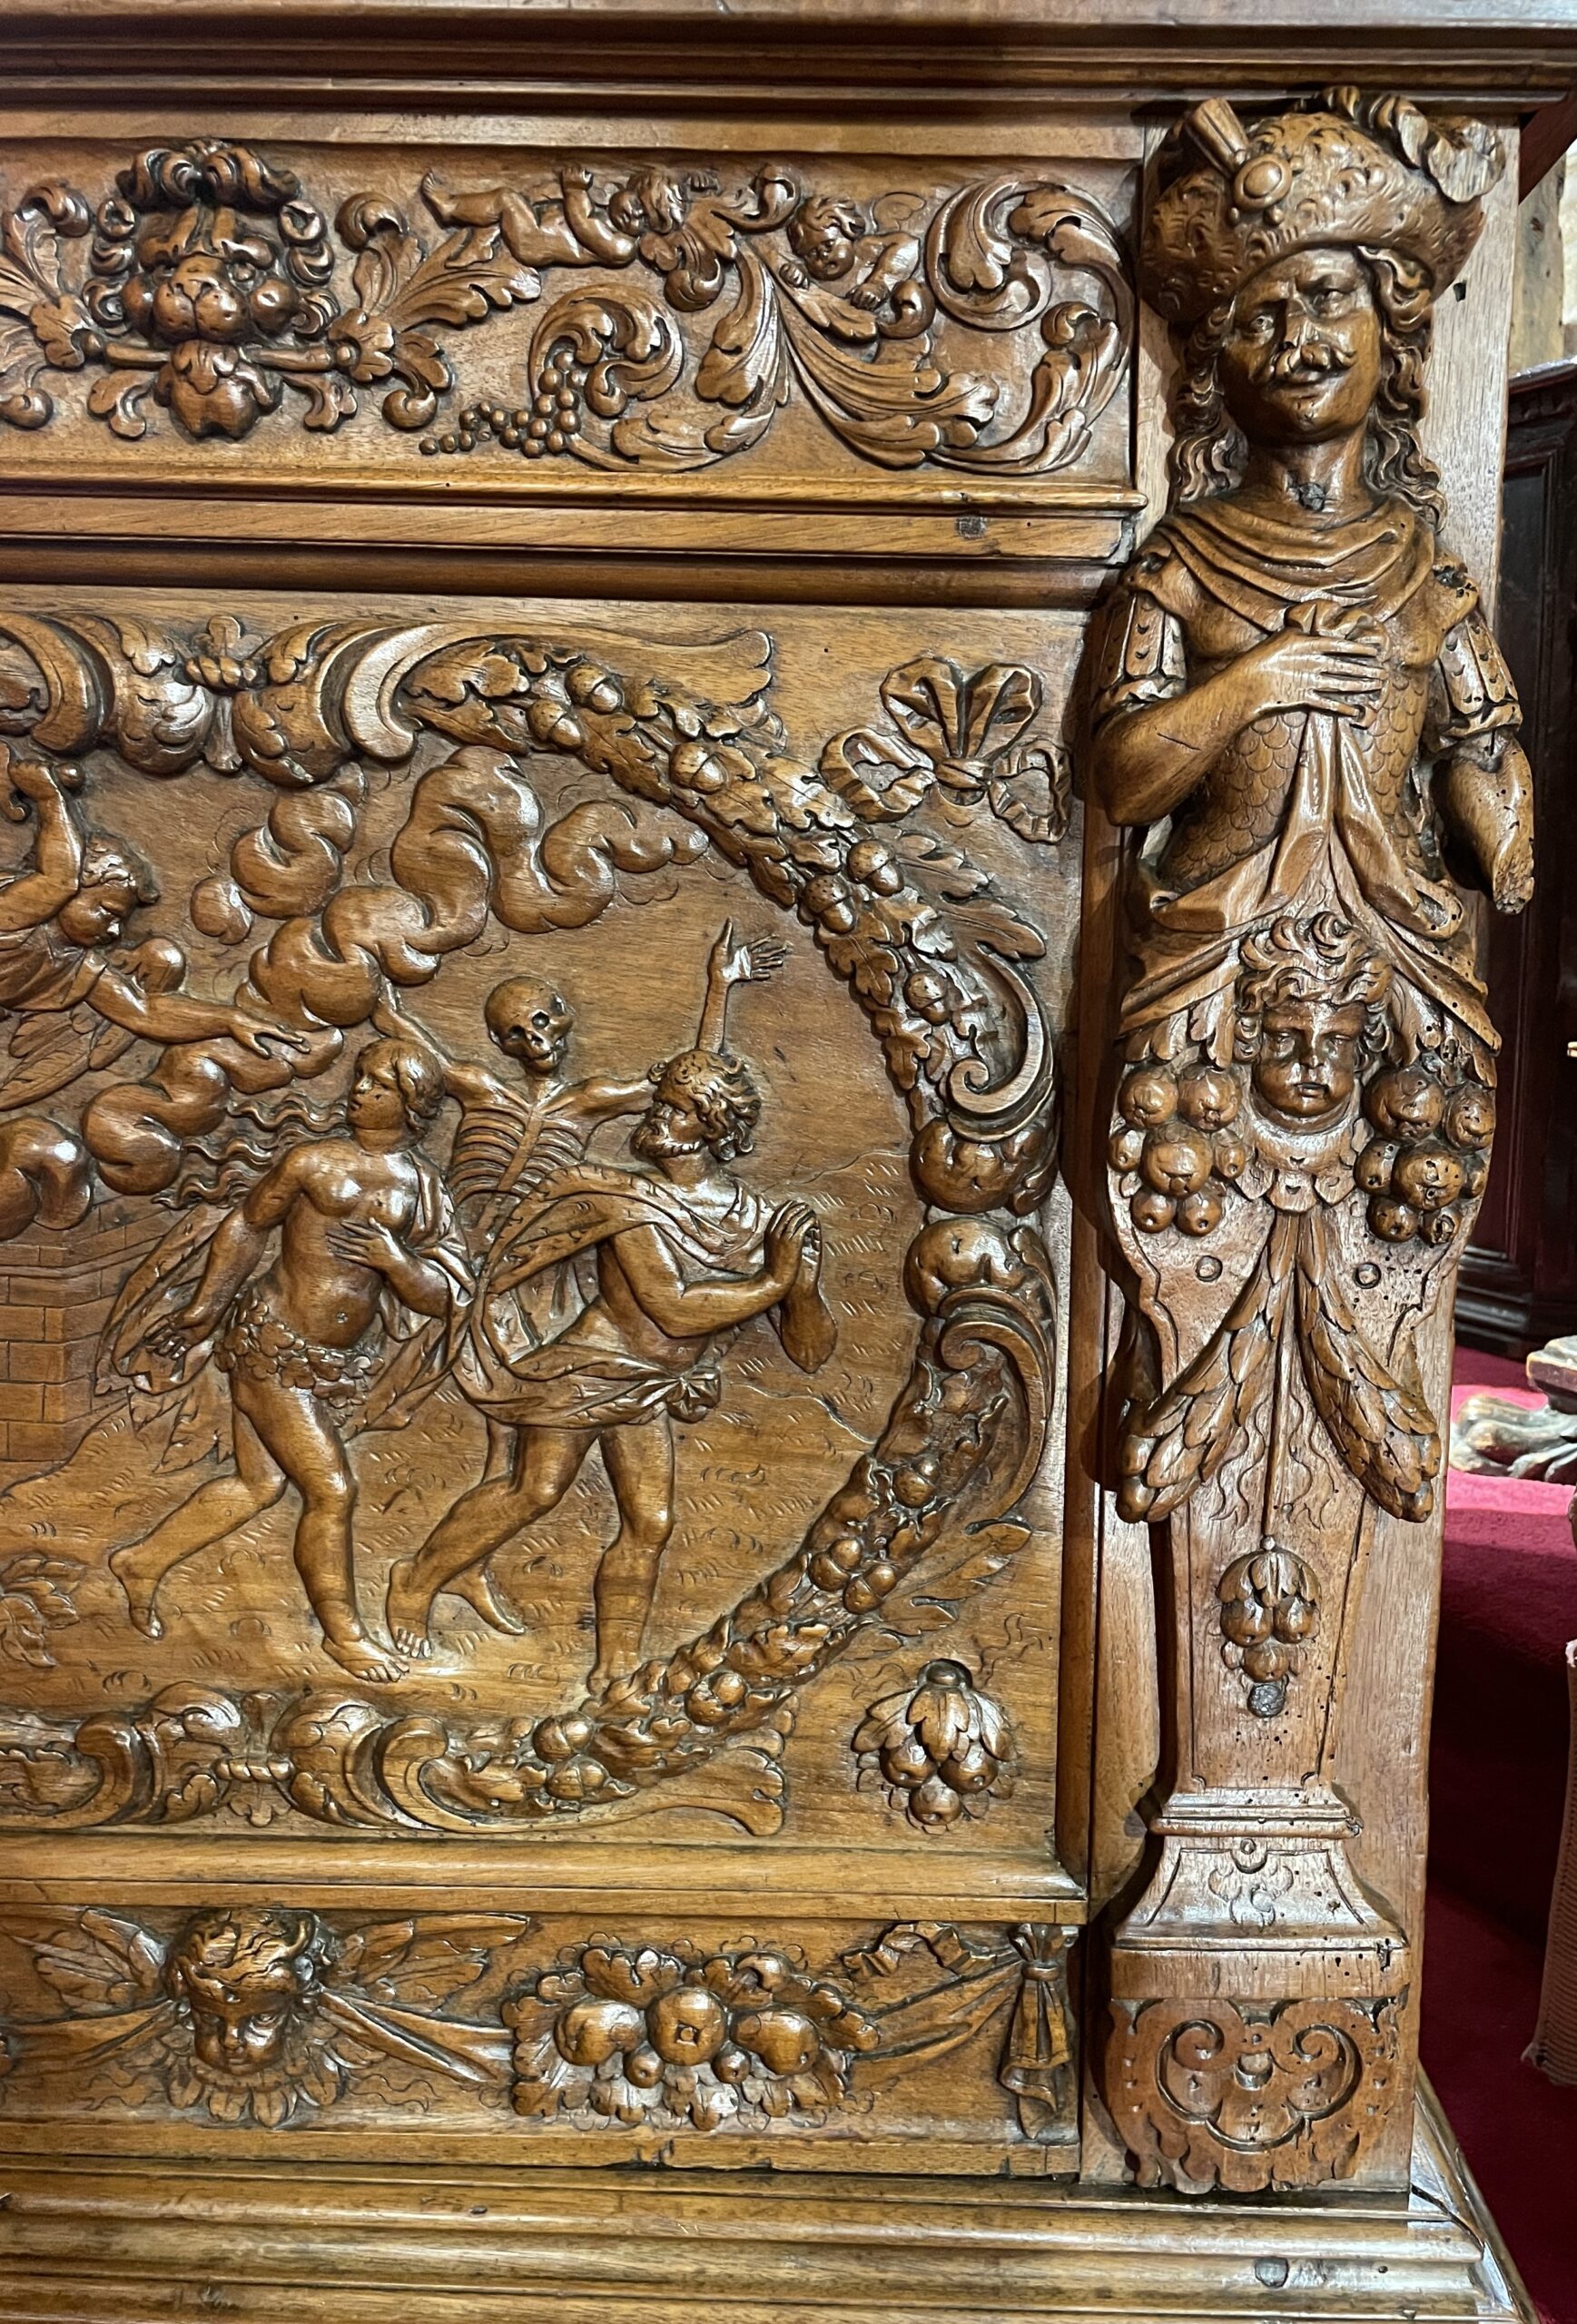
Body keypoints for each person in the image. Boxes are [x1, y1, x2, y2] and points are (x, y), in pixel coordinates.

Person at [1087, 92, 1533, 1086]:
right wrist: (1260, 679)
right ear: (1217, 365)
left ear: (1392, 328)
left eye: (1329, 299)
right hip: (1213, 957)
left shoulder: (1423, 570)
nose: (1301, 341)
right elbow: (1121, 780)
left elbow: (1479, 741)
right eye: (1262, 318)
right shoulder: (1180, 563)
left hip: (1385, 966)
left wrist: (1505, 837)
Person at [385, 1002, 833, 1688]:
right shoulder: (627, 1201)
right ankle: (413, 1583)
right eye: (662, 1101)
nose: (656, 1116)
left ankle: (614, 1671)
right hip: (588, 1369)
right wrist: (774, 1279)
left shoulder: (758, 1220)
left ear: (711, 1126)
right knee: (535, 1490)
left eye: (676, 1109)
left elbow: (810, 1352)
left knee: (650, 1522)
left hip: (650, 1386)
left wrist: (800, 1288)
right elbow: (674, 1310)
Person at [109, 1039, 470, 1682]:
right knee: (331, 1490)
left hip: (332, 1363)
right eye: (360, 1078)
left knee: (258, 1485)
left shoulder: (422, 1187)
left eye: (379, 1085)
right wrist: (205, 1307)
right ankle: (344, 1637)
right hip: (270, 1343)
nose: (359, 1091)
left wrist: (397, 1263)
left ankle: (140, 1562)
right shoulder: (312, 1161)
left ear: (413, 1104)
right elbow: (248, 1225)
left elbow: (446, 1296)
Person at [0, 750, 299, 1097]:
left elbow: (144, 1012)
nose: (115, 931)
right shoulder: (15, 911)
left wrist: (230, 1020)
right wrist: (49, 798)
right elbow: (60, 879)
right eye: (107, 911)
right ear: (78, 890)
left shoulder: (72, 964)